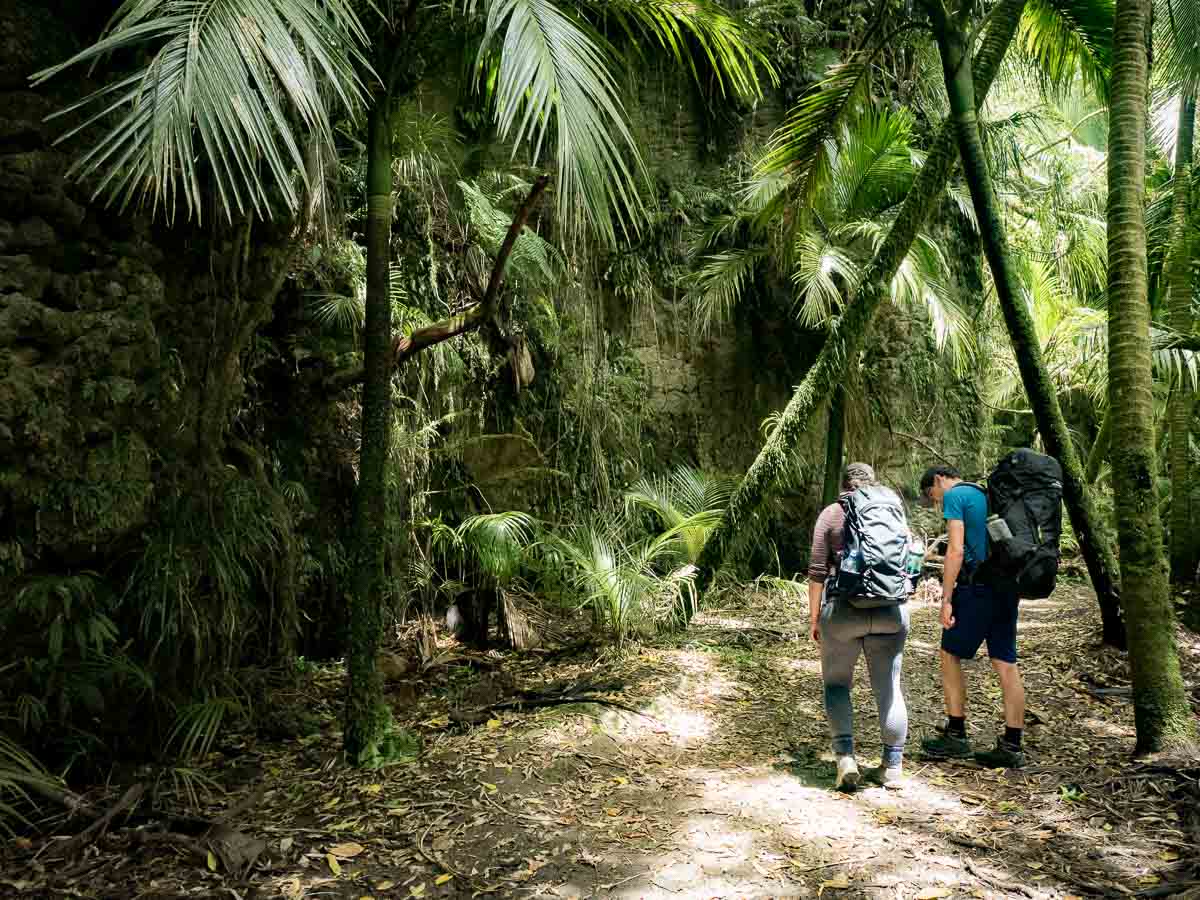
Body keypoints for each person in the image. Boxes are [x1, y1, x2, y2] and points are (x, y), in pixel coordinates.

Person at [808, 462, 909, 790]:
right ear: (871, 484)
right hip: (890, 609)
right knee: (889, 686)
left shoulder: (831, 514)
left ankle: (846, 760)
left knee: (837, 685)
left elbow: (817, 571)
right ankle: (892, 767)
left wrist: (814, 619)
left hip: (843, 610)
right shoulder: (893, 509)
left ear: (844, 484)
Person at [917, 464, 1026, 768]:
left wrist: (947, 599)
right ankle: (1012, 744)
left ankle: (956, 734)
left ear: (939, 479)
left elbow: (955, 550)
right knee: (1005, 662)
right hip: (1006, 586)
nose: (937, 501)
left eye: (932, 494)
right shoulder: (988, 493)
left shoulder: (957, 495)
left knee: (948, 653)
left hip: (977, 588)